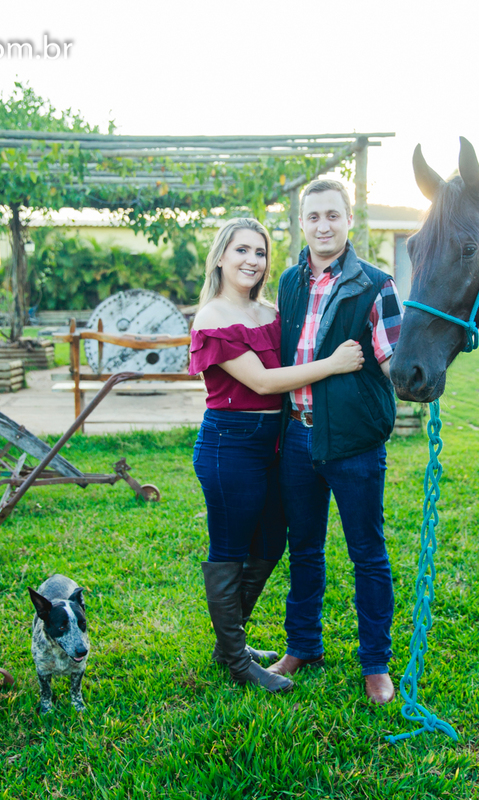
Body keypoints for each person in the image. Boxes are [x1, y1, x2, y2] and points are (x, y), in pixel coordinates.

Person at [189, 217, 365, 693]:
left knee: (269, 544)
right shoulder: (212, 316)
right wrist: (332, 365)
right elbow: (265, 382)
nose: (252, 261)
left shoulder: (269, 312)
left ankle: (230, 645)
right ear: (221, 256)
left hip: (277, 441)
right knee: (230, 550)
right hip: (231, 443)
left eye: (260, 253)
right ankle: (235, 660)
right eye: (241, 251)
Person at [266, 180, 403, 704]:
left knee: (367, 553)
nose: (323, 226)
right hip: (298, 439)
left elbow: (392, 358)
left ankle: (375, 664)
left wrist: (415, 377)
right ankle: (303, 646)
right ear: (302, 223)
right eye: (313, 217)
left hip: (354, 443)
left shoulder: (375, 284)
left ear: (349, 220)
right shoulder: (288, 283)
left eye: (332, 215)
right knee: (305, 549)